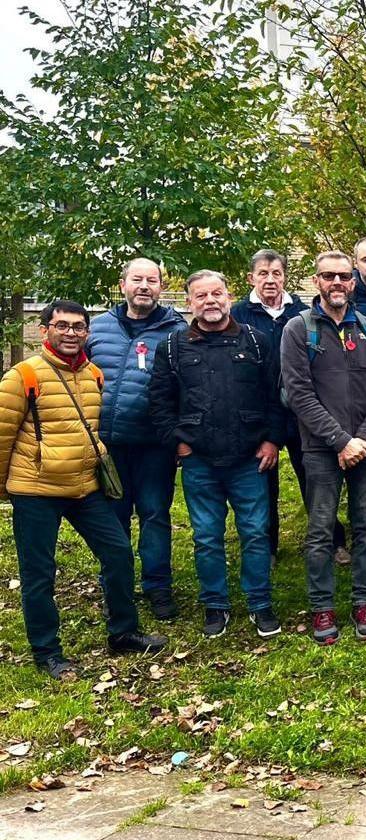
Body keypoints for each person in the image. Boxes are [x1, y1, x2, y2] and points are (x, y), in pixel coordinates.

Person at [2, 301, 168, 680]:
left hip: (83, 487)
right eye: (62, 326)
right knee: (39, 574)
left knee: (119, 552)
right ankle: (47, 653)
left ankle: (123, 632)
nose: (71, 333)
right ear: (44, 331)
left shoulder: (93, 375)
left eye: (78, 327)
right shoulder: (22, 376)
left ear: (87, 333)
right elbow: (2, 436)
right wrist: (6, 489)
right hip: (36, 489)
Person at [152, 270, 288, 639]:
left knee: (256, 534)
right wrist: (177, 443)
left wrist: (272, 440)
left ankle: (261, 605)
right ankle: (216, 606)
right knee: (207, 537)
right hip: (200, 461)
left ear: (229, 297)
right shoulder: (172, 347)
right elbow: (160, 403)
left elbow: (277, 397)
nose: (210, 301)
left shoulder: (257, 342)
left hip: (249, 458)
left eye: (217, 294)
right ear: (189, 302)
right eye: (201, 296)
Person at [280, 251, 366, 645]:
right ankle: (322, 607)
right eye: (329, 276)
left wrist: (363, 439)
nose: (337, 283)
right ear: (316, 282)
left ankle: (365, 601)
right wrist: (341, 441)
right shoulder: (298, 330)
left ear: (353, 282)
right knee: (321, 529)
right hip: (320, 449)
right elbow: (299, 394)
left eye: (344, 277)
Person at [86, 258, 186, 620]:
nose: (144, 286)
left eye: (152, 280)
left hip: (154, 444)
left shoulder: (177, 331)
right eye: (137, 279)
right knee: (113, 517)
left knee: (155, 514)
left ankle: (158, 587)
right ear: (123, 283)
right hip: (108, 445)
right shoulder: (97, 329)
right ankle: (116, 584)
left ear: (161, 287)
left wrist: (178, 436)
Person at [231, 249, 323, 562]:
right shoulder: (238, 314)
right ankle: (267, 547)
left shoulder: (302, 313)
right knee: (263, 481)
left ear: (285, 276)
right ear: (251, 278)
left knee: (312, 476)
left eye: (276, 273)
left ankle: (329, 540)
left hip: (300, 409)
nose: (270, 280)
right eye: (263, 274)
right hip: (257, 410)